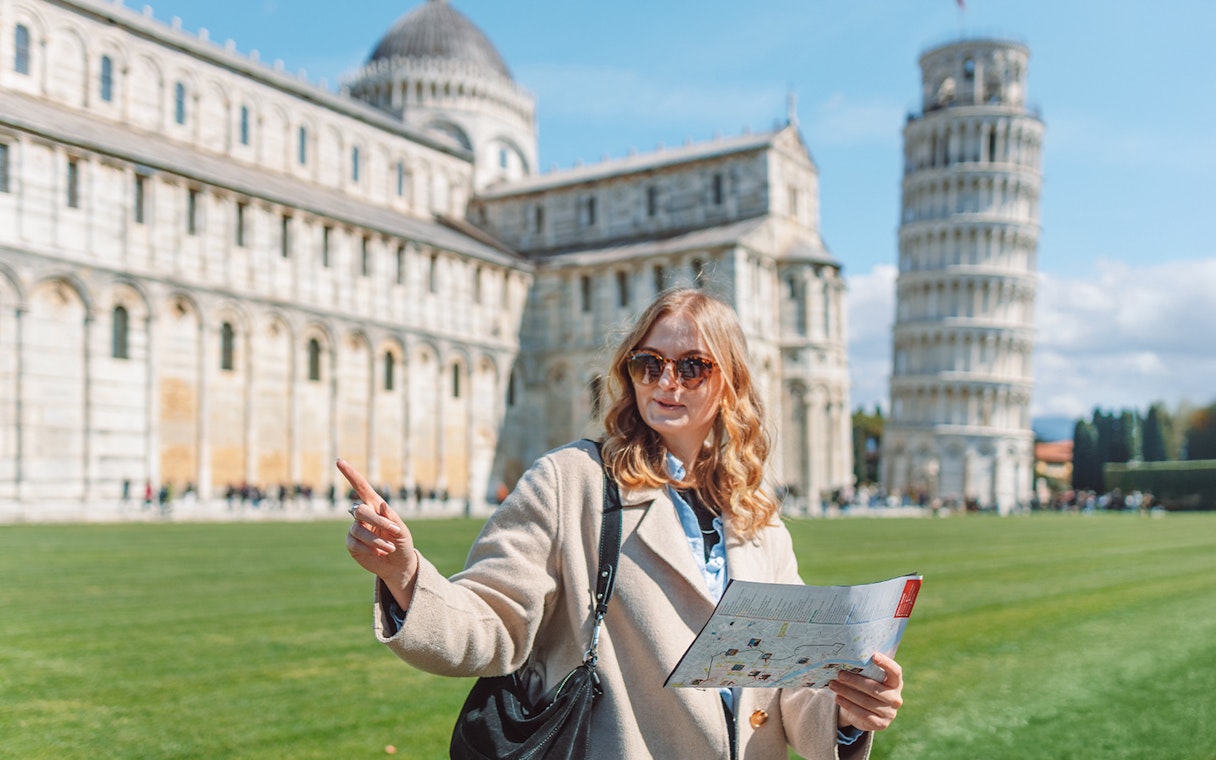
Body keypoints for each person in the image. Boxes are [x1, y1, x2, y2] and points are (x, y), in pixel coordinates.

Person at [341, 289, 904, 759]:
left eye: (691, 366)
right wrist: (407, 576)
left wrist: (848, 711)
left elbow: (784, 683)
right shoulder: (573, 482)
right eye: (648, 363)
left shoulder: (757, 516)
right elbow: (493, 624)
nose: (666, 381)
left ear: (729, 381)